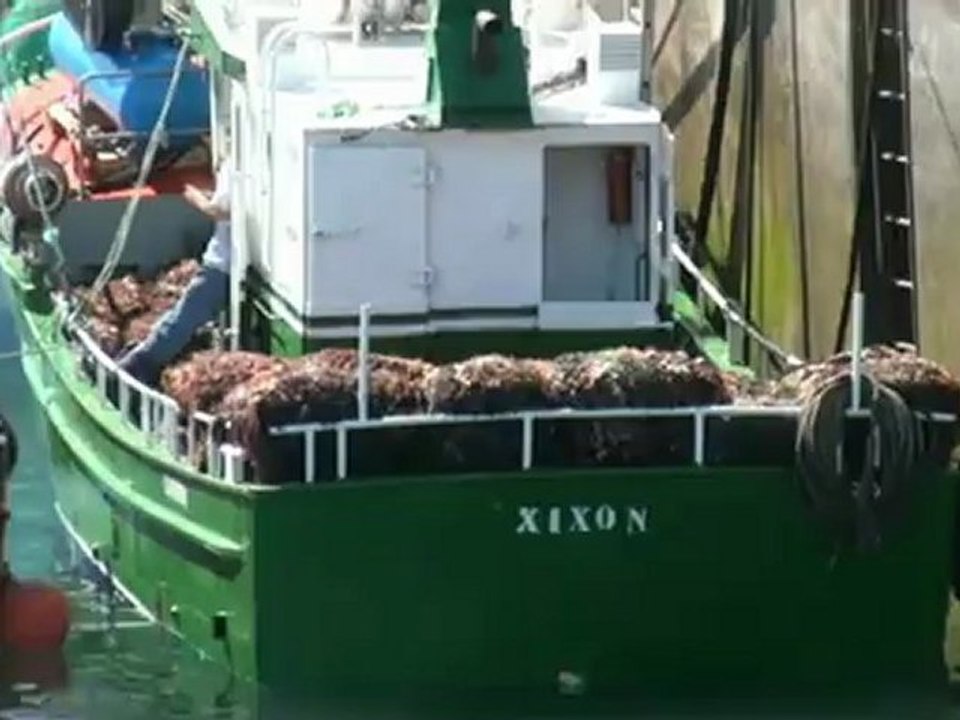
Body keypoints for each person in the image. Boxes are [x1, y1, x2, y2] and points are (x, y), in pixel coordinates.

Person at [118, 158, 232, 384]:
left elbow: (219, 211)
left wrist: (193, 195)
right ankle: (143, 355)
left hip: (223, 263)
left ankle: (137, 366)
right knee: (184, 315)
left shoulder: (236, 163)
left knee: (184, 317)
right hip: (236, 263)